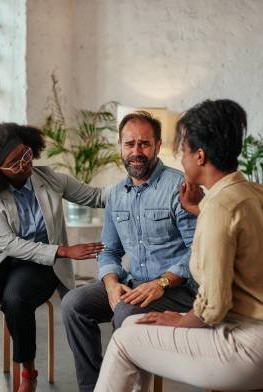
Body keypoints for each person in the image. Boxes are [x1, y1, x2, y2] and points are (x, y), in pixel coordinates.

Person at [95, 99, 263, 392]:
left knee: (124, 339)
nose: (179, 157)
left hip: (243, 345)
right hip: (250, 333)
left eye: (181, 149)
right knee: (135, 325)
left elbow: (213, 306)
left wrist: (180, 320)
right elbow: (237, 234)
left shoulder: (218, 209)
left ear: (199, 156)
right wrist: (200, 211)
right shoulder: (250, 193)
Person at [0, 122, 107, 392]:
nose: (24, 164)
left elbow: (97, 196)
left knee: (16, 299)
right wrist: (63, 251)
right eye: (14, 162)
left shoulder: (51, 179)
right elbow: (7, 243)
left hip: (38, 262)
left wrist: (138, 185)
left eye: (25, 154)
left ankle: (29, 373)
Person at [61, 111, 199, 392]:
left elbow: (199, 251)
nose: (136, 151)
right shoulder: (115, 194)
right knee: (73, 304)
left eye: (144, 144)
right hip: (134, 283)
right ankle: (95, 387)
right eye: (130, 144)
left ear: (158, 146)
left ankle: (132, 388)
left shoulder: (180, 188)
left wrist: (162, 283)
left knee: (125, 311)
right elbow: (109, 250)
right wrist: (111, 284)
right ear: (120, 147)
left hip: (179, 289)